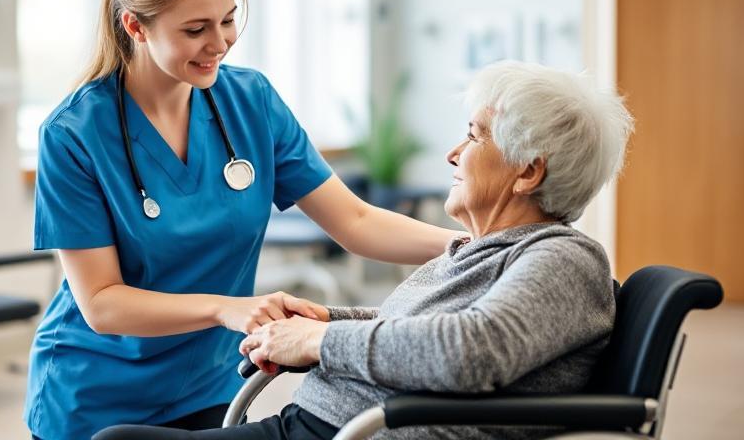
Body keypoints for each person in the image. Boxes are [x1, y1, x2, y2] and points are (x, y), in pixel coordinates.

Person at [24, 0, 462, 440]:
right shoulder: (74, 134)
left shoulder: (250, 101)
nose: (220, 43)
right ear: (135, 26)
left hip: (209, 383)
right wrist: (227, 309)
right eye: (195, 29)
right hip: (94, 392)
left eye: (229, 20)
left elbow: (355, 221)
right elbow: (101, 303)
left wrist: (479, 247)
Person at [93, 60, 635, 440]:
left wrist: (321, 339)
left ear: (529, 171)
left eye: (473, 136)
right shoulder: (486, 252)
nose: (453, 154)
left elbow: (471, 352)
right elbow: (412, 324)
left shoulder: (563, 259)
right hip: (327, 423)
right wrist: (327, 315)